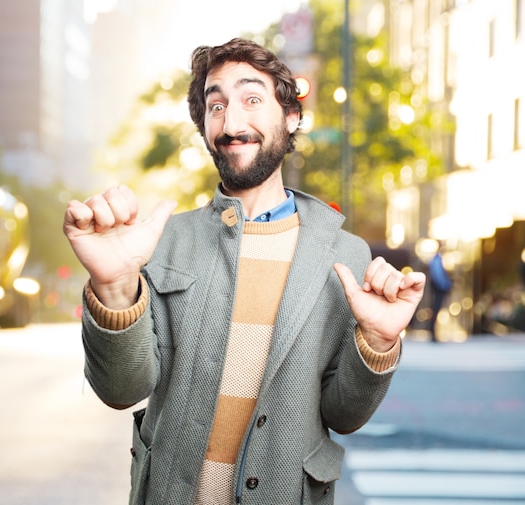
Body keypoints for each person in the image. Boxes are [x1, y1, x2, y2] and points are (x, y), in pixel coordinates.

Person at [63, 38, 425, 505]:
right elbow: (121, 389)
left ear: (291, 115)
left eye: (252, 99)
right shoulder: (160, 243)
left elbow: (345, 415)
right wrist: (113, 286)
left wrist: (377, 344)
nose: (232, 123)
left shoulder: (345, 256)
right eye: (216, 106)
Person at [428, 247, 452, 342]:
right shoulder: (437, 260)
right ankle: (432, 332)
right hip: (439, 288)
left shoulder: (437, 259)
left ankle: (433, 332)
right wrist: (446, 285)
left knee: (435, 310)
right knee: (435, 310)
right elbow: (438, 276)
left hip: (439, 287)